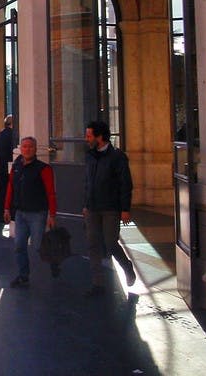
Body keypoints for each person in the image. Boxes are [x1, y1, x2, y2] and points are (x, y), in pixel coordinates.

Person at [82, 120, 136, 296]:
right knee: (92, 243)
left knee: (111, 243)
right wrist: (85, 204)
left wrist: (125, 209)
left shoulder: (117, 157)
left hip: (111, 208)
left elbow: (125, 184)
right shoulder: (89, 156)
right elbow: (87, 182)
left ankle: (127, 266)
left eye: (89, 135)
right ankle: (97, 283)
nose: (86, 138)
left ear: (100, 137)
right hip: (92, 207)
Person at [4, 136, 58, 287]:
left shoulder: (44, 169)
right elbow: (10, 187)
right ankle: (23, 275)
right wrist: (7, 208)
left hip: (37, 213)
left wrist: (52, 214)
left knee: (38, 246)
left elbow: (51, 193)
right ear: (21, 148)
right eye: (24, 146)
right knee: (19, 245)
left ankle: (53, 258)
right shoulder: (16, 166)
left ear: (35, 150)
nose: (27, 149)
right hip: (20, 213)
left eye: (30, 147)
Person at [0, 114, 15, 223]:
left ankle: (0, 214)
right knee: (11, 190)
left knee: (1, 189)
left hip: (1, 164)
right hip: (10, 164)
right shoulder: (13, 135)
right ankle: (10, 214)